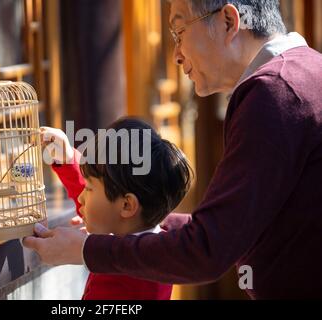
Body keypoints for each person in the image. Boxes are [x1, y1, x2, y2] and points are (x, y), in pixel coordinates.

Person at [24, 0, 322, 299]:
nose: (176, 55)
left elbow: (207, 249)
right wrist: (130, 218)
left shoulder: (275, 93)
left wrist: (87, 250)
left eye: (179, 32)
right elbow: (231, 226)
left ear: (229, 22)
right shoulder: (304, 70)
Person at [40, 118, 192, 300]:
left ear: (127, 206)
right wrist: (67, 160)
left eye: (88, 188)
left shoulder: (126, 280)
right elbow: (104, 203)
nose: (81, 197)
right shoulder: (146, 243)